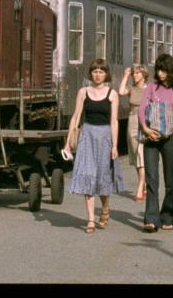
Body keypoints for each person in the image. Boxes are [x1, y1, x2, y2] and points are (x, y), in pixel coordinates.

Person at [62, 59, 124, 233]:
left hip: (105, 137)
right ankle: (90, 219)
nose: (97, 74)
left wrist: (115, 145)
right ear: (90, 74)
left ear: (106, 74)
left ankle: (105, 206)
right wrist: (68, 142)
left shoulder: (112, 94)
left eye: (101, 71)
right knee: (88, 175)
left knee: (103, 177)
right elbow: (75, 117)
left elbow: (114, 121)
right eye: (95, 71)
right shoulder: (83, 92)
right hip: (87, 136)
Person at [137, 53, 173, 232]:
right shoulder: (151, 87)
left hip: (169, 138)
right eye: (158, 69)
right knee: (151, 178)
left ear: (170, 70)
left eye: (163, 69)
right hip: (150, 137)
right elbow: (142, 109)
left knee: (170, 180)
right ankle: (151, 218)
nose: (160, 73)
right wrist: (146, 129)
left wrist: (166, 132)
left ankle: (168, 215)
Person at [118, 65, 148, 202]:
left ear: (143, 74)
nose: (135, 76)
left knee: (141, 154)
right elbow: (120, 91)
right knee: (136, 155)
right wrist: (125, 75)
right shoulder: (132, 88)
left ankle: (140, 186)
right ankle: (145, 183)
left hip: (145, 122)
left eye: (137, 73)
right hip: (132, 121)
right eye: (133, 74)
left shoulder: (149, 89)